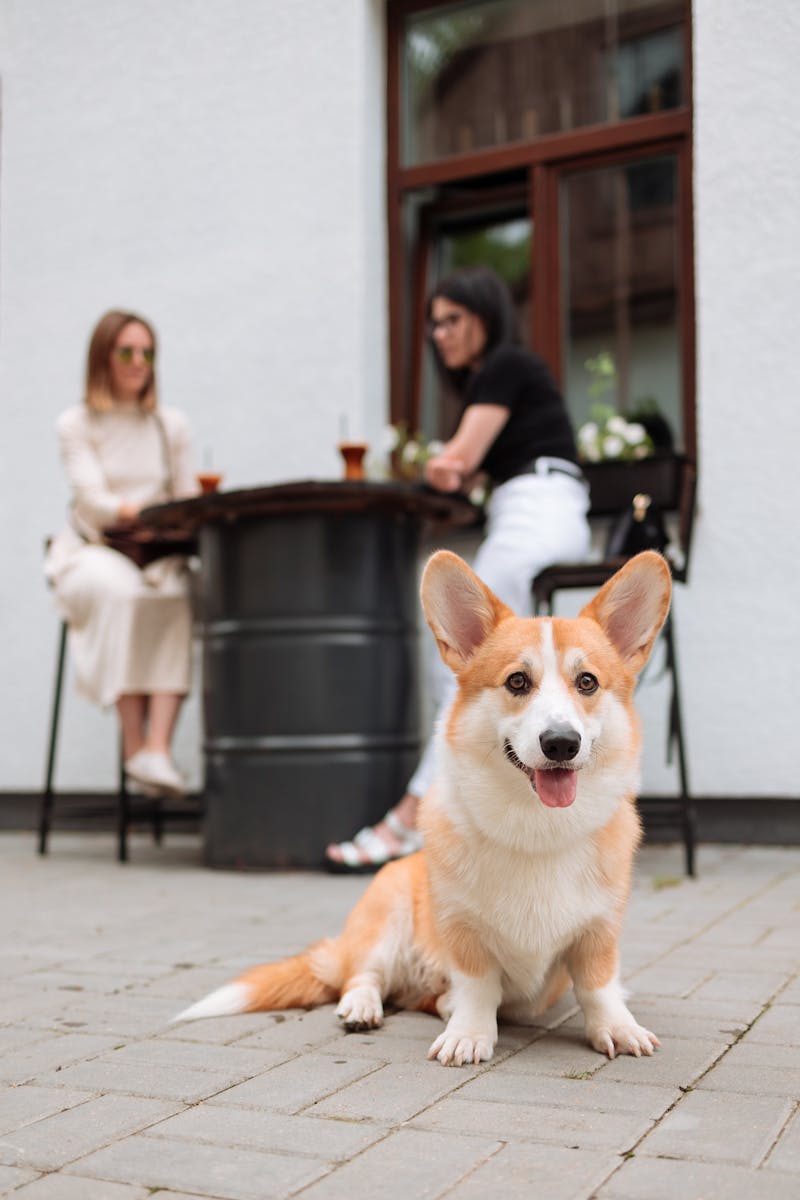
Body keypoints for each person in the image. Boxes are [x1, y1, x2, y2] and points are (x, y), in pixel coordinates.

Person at [325, 266, 591, 871]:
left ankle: (415, 815)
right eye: (434, 324)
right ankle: (455, 812)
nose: (440, 334)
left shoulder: (505, 367)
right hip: (530, 509)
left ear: (485, 318)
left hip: (538, 510)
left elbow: (457, 463)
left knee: (470, 660)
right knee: (467, 658)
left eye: (453, 320)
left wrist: (435, 465)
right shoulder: (499, 380)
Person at [45, 310, 199, 796]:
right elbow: (95, 503)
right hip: (92, 549)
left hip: (154, 553)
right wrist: (149, 510)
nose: (138, 362)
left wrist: (175, 515)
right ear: (103, 358)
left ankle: (158, 748)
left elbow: (188, 495)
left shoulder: (168, 425)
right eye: (127, 352)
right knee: (124, 595)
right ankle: (135, 748)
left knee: (180, 594)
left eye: (147, 353)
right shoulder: (77, 423)